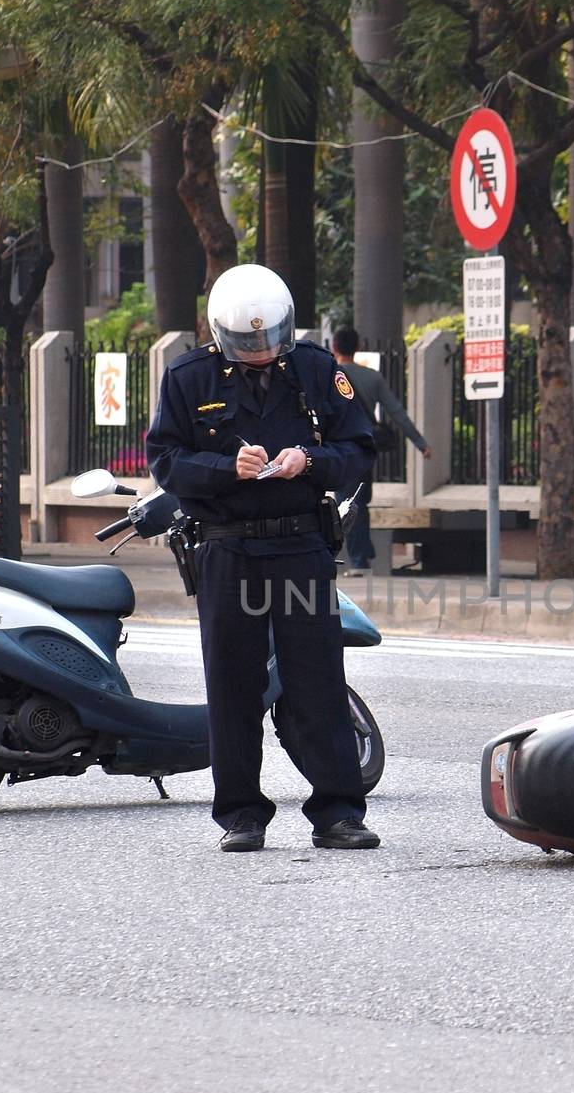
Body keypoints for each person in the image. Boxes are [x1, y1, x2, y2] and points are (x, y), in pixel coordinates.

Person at [146, 264, 380, 853]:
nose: (261, 351)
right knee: (233, 683)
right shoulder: (189, 377)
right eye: (247, 342)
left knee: (318, 680)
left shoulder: (318, 370)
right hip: (227, 546)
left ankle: (338, 813)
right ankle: (242, 815)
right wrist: (228, 468)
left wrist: (312, 460)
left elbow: (358, 448)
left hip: (301, 545)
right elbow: (166, 461)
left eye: (270, 338)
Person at [330, 326, 430, 572]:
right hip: (364, 447)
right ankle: (363, 555)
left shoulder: (329, 375)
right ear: (358, 347)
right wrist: (420, 443)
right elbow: (397, 412)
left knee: (347, 503)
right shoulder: (373, 378)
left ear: (334, 347)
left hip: (339, 449)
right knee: (359, 502)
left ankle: (360, 559)